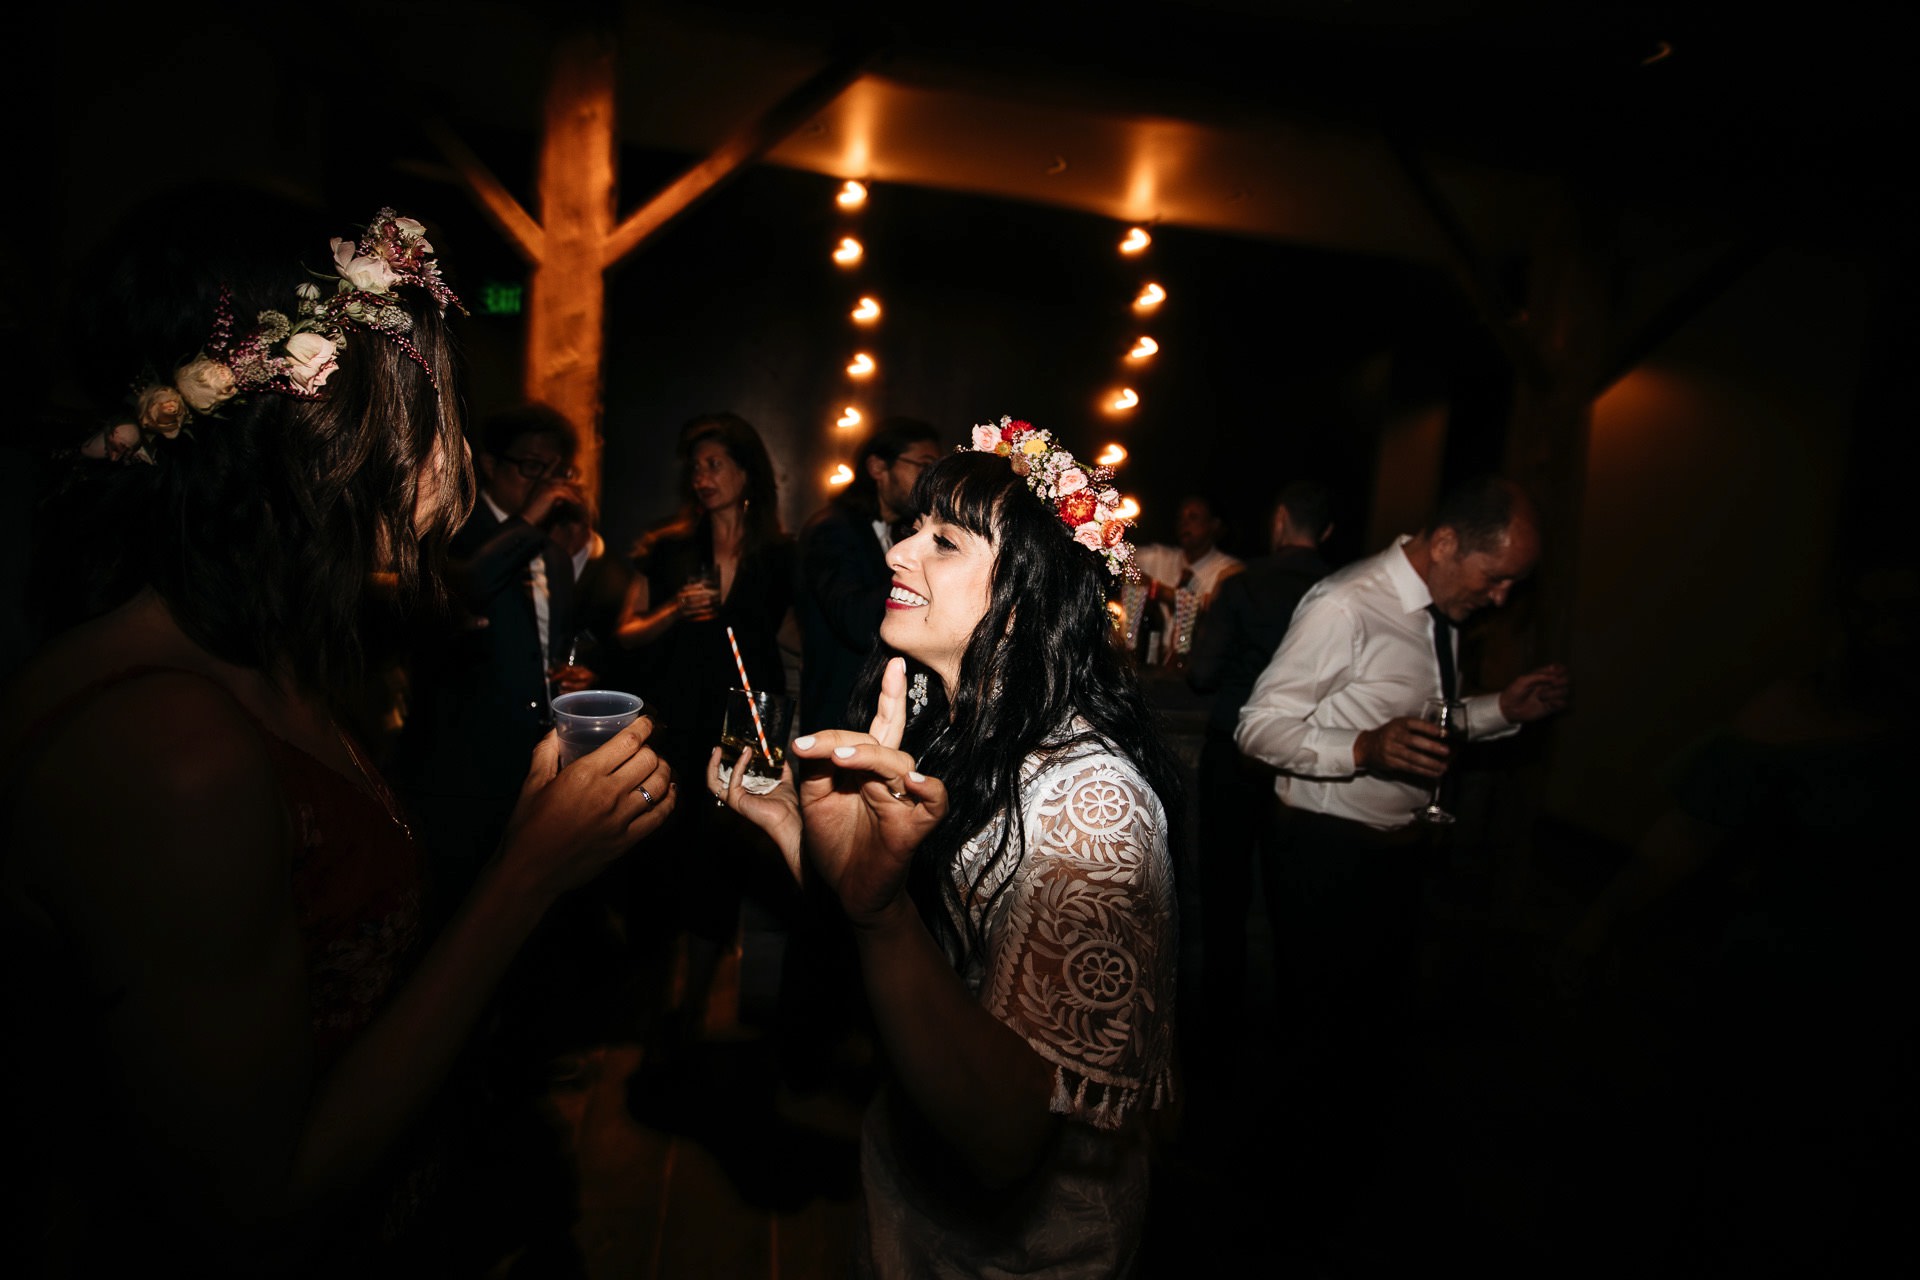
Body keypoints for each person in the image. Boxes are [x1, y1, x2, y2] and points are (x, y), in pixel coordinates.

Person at [0, 200, 677, 1275]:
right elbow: (252, 1206)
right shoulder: (169, 746)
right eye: (415, 407)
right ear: (295, 426)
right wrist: (529, 872)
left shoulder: (278, 664)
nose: (442, 461)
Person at [712, 416, 1182, 1277]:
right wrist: (794, 826)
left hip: (1018, 1249)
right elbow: (918, 949)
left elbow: (1006, 1139)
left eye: (945, 541)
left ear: (1029, 594)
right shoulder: (947, 723)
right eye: (912, 529)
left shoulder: (1093, 807)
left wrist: (879, 910)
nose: (898, 553)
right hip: (909, 1179)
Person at [1232, 473, 1569, 1259]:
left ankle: (1342, 1201)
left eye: (1515, 582)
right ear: (1446, 544)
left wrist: (1499, 712)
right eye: (1497, 577)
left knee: (1367, 1043)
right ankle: (1281, 1217)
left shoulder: (1438, 613)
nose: (1502, 596)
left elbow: (1427, 720)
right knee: (1318, 1042)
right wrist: (1362, 749)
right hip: (1323, 853)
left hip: (1394, 857)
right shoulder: (1345, 604)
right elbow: (1257, 726)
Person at [616, 412, 799, 1042]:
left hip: (740, 733)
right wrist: (672, 611)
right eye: (695, 466)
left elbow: (795, 646)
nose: (702, 476)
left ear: (747, 472)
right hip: (673, 726)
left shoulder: (780, 556)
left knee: (719, 867)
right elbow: (625, 631)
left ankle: (690, 1010)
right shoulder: (666, 549)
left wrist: (791, 725)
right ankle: (649, 1002)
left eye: (715, 463)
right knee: (659, 859)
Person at [390, 401, 597, 913]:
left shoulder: (551, 551)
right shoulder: (449, 530)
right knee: (456, 909)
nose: (547, 482)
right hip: (457, 772)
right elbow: (469, 588)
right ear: (489, 464)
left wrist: (577, 674)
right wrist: (528, 519)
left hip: (537, 765)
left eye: (558, 471)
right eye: (532, 466)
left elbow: (562, 635)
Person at [1181, 479, 1334, 1086]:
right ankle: (1292, 1022)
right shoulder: (1339, 590)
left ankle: (1217, 1022)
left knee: (1224, 890)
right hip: (1305, 755)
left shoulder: (1244, 585)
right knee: (1292, 891)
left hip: (1238, 747)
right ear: (1325, 533)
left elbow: (1202, 674)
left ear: (1278, 523)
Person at [797, 415, 943, 735]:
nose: (930, 480)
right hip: (840, 711)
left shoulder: (902, 533)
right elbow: (854, 620)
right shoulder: (832, 529)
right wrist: (915, 573)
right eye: (923, 465)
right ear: (878, 468)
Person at [1131, 494, 1242, 659]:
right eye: (1180, 518)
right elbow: (1120, 558)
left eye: (1193, 517)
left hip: (1195, 669)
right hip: (1149, 662)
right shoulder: (1159, 558)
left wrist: (1159, 591)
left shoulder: (1229, 570)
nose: (1184, 523)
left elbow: (1212, 610)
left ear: (1214, 525)